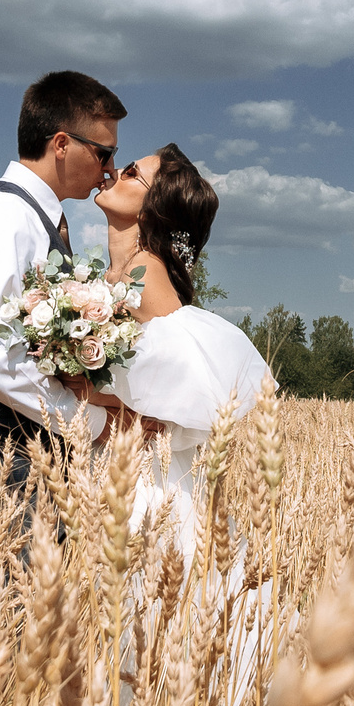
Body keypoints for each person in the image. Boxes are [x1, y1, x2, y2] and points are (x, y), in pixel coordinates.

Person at [0, 70, 125, 521]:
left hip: (28, 459)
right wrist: (92, 424)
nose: (109, 171)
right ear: (61, 144)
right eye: (104, 153)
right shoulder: (0, 217)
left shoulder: (28, 218)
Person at [81, 143, 273, 568]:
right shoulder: (113, 275)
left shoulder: (144, 271)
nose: (114, 171)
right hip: (115, 462)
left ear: (151, 210)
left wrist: (86, 391)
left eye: (131, 171)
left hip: (145, 480)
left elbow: (180, 378)